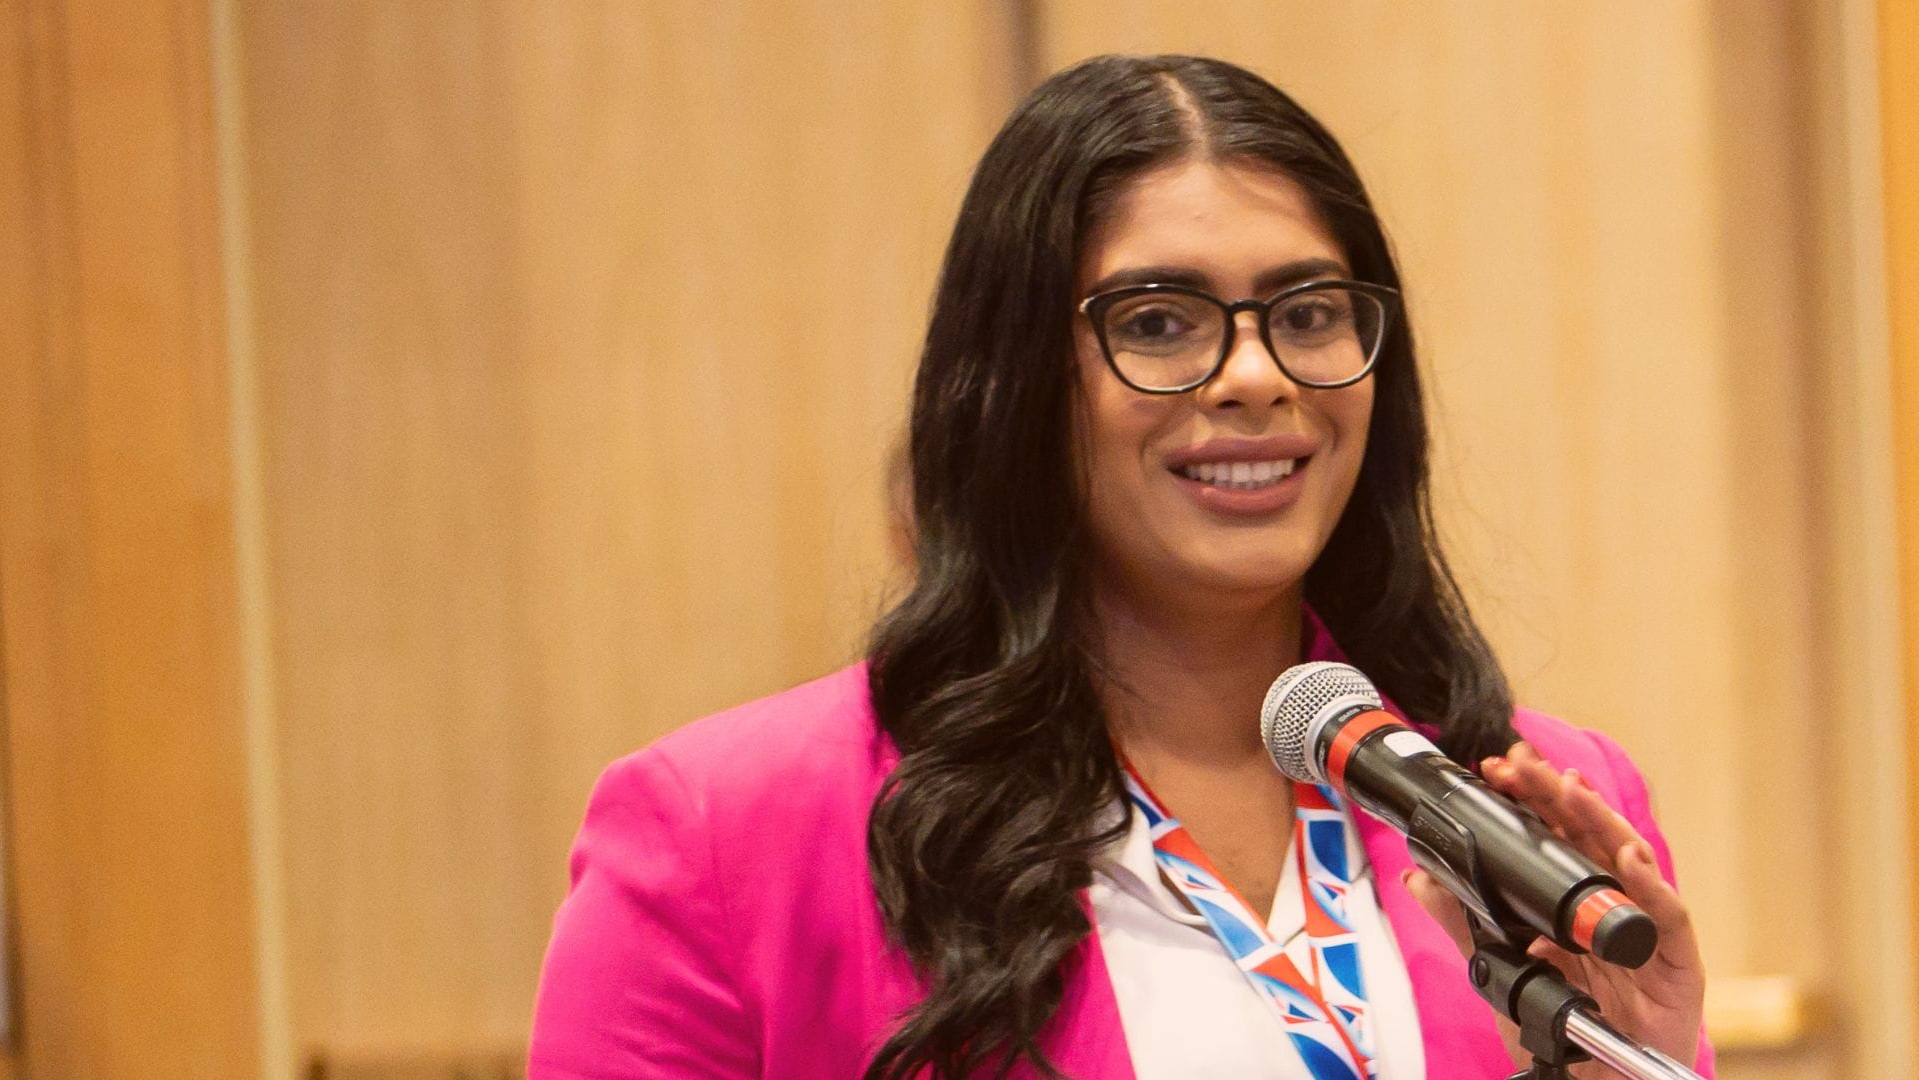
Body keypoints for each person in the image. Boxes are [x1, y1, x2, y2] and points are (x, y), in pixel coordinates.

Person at [527, 54, 1711, 1080]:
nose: (1256, 375)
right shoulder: (725, 838)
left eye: (1307, 312)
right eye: (1158, 321)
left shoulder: (1533, 800)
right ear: (1015, 386)